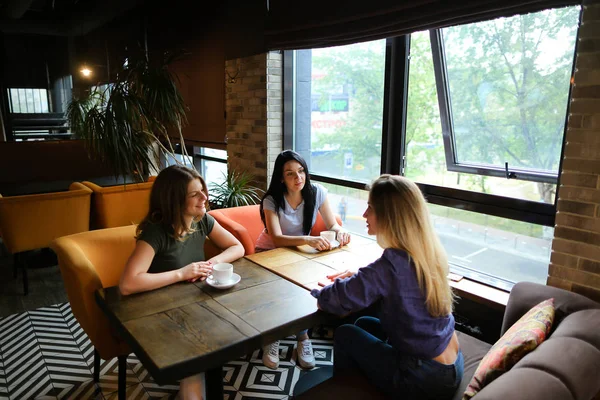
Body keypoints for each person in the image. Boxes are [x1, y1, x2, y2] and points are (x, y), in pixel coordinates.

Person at [312, 174, 463, 399]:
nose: (364, 214)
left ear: (389, 216)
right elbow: (396, 282)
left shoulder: (390, 265)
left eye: (370, 207)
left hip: (425, 379)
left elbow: (330, 300)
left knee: (345, 333)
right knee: (364, 323)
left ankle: (344, 392)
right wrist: (362, 279)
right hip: (451, 364)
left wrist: (335, 287)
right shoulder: (427, 251)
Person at [119, 165, 245, 400]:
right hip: (160, 312)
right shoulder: (155, 233)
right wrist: (182, 273)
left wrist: (209, 264)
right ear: (175, 200)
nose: (204, 197)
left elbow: (237, 246)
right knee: (195, 361)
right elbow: (128, 283)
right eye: (195, 194)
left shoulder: (202, 220)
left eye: (203, 190)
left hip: (195, 303)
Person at [256, 149, 351, 370]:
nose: (298, 178)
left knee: (304, 289)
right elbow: (277, 239)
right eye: (290, 173)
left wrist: (340, 232)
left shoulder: (317, 192)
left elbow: (333, 224)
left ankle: (303, 338)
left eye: (301, 171)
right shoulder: (272, 200)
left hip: (298, 251)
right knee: (278, 293)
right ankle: (273, 336)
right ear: (281, 177)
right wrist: (308, 240)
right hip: (268, 252)